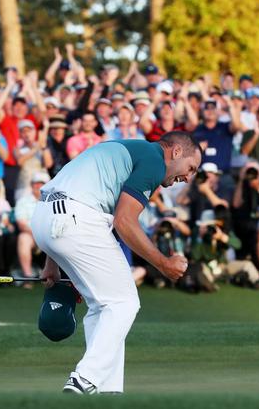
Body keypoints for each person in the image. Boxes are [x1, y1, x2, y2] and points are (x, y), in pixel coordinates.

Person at [31, 131, 200, 394]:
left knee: (104, 306)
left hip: (45, 219)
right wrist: (163, 263)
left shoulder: (124, 149)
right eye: (191, 168)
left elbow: (63, 195)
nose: (188, 177)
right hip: (76, 219)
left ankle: (107, 390)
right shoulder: (155, 158)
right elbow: (124, 222)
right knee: (124, 302)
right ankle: (85, 379)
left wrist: (51, 264)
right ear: (176, 151)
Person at [14, 171, 50, 285]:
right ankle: (28, 278)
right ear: (31, 185)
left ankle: (56, 276)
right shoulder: (23, 201)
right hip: (31, 235)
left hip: (50, 235)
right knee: (23, 238)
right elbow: (21, 224)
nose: (38, 186)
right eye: (36, 183)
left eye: (42, 183)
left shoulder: (54, 201)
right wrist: (37, 234)